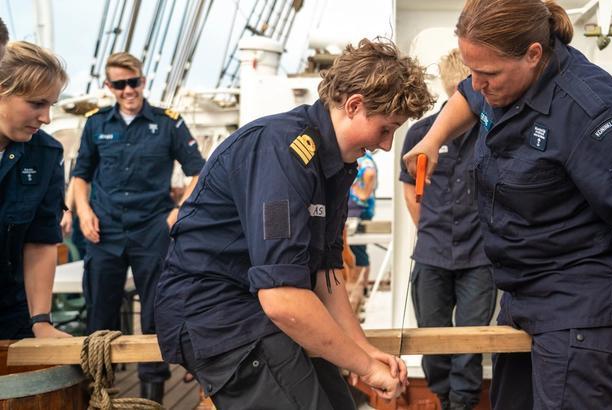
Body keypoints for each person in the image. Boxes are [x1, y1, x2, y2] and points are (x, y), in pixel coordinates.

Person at [403, 1, 612, 409]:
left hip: (583, 312)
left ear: (534, 54)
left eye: (488, 74)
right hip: (523, 298)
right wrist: (433, 137)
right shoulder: (499, 81)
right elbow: (468, 95)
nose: (478, 84)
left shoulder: (593, 113)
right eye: (473, 70)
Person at [154, 38, 435, 409]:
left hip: (257, 313)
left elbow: (327, 273)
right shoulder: (283, 152)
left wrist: (363, 351)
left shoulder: (335, 165)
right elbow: (282, 297)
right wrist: (365, 367)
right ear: (353, 106)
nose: (386, 146)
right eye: (385, 129)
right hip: (216, 315)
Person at [70, 51, 206, 402]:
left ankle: (152, 396)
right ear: (109, 86)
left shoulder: (168, 122)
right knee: (100, 308)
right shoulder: (96, 124)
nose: (128, 90)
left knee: (155, 312)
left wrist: (179, 212)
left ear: (143, 81)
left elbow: (198, 172)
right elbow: (80, 176)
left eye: (134, 82)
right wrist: (83, 211)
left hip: (152, 228)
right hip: (104, 229)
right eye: (120, 84)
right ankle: (98, 391)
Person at [399, 49, 496, 410]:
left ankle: (463, 404)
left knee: (470, 343)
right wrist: (426, 226)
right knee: (432, 341)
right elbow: (409, 185)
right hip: (431, 254)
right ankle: (442, 399)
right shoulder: (421, 135)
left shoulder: (492, 133)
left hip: (479, 257)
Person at [0, 39, 72, 339]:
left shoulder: (45, 154)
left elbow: (41, 239)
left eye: (50, 105)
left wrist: (40, 321)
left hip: (10, 313)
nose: (46, 118)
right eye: (36, 103)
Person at [347, 149, 377, 286]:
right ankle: (360, 291)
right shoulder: (360, 157)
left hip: (357, 211)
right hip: (357, 210)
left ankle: (356, 291)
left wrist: (362, 194)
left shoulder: (362, 157)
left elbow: (370, 174)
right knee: (358, 249)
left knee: (356, 250)